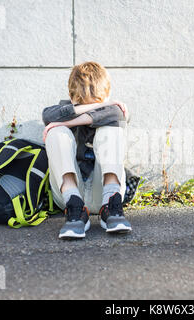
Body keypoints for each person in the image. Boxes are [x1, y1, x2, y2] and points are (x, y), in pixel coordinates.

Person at [42, 61, 133, 239]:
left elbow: (118, 114)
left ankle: (111, 206)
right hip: (71, 194)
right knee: (55, 131)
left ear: (108, 95)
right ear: (71, 96)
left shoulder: (115, 109)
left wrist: (69, 122)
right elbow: (48, 116)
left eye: (98, 103)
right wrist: (64, 122)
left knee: (112, 129)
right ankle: (75, 209)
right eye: (83, 103)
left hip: (103, 191)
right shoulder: (63, 109)